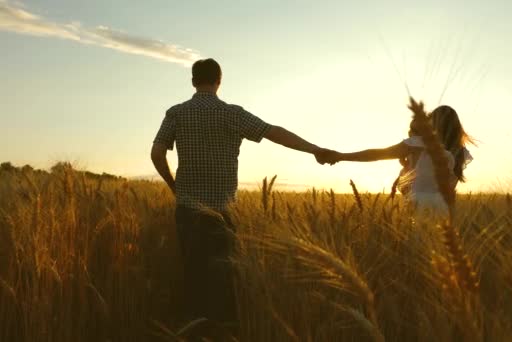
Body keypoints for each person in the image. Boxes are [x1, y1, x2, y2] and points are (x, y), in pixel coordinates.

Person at [150, 58, 331, 337]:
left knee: (193, 273)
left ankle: (194, 331)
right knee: (223, 279)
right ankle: (220, 332)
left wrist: (173, 185)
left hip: (187, 209)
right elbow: (275, 133)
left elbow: (157, 153)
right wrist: (315, 149)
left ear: (193, 81)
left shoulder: (176, 113)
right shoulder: (232, 114)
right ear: (219, 80)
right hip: (222, 213)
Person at [319, 105, 473, 215]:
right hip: (444, 208)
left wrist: (341, 156)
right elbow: (448, 189)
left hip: (417, 203)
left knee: (416, 249)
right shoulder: (461, 152)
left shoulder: (418, 142)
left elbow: (377, 154)